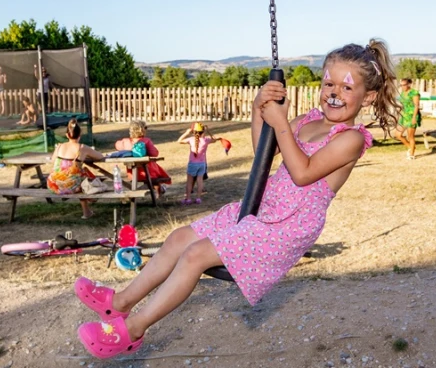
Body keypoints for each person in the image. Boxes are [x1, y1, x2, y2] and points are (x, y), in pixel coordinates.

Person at [73, 40, 399, 359]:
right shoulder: (309, 119)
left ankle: (132, 330)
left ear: (368, 97)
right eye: (329, 83)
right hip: (264, 204)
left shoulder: (351, 139)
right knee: (179, 238)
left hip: (288, 224)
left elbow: (303, 173)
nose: (334, 93)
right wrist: (260, 108)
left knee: (194, 256)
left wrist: (281, 123)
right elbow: (264, 153)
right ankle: (119, 303)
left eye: (346, 88)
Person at [46, 118, 105, 219]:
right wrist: (86, 156)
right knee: (83, 177)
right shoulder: (82, 148)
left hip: (53, 184)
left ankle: (87, 212)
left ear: (67, 135)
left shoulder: (59, 146)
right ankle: (91, 202)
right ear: (80, 135)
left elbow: (52, 160)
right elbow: (100, 156)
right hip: (70, 185)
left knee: (79, 175)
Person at [112, 121, 172, 199]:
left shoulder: (125, 141)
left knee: (150, 176)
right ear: (142, 130)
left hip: (133, 174)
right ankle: (159, 191)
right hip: (148, 172)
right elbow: (154, 153)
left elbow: (117, 145)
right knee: (154, 175)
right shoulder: (146, 141)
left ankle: (138, 193)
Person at [176, 122, 223, 205]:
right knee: (200, 181)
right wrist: (208, 131)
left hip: (192, 164)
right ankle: (198, 198)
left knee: (189, 182)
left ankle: (188, 198)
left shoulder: (191, 140)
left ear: (194, 132)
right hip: (202, 164)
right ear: (203, 132)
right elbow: (214, 140)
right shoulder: (206, 140)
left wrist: (187, 132)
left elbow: (179, 141)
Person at [393, 77, 422, 160]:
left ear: (409, 84)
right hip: (404, 115)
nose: (402, 87)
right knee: (398, 135)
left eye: (404, 85)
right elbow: (402, 105)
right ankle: (410, 147)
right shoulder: (403, 93)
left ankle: (412, 154)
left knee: (410, 136)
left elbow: (416, 105)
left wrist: (414, 118)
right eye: (401, 85)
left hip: (412, 115)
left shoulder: (414, 93)